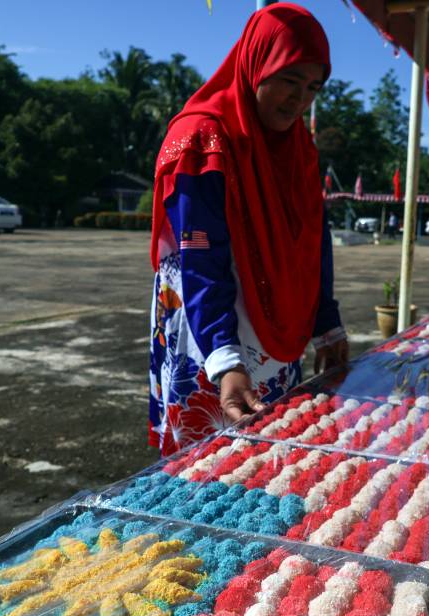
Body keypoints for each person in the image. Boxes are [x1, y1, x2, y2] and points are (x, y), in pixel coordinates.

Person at [147, 4, 347, 456]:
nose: (299, 100)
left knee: (272, 465)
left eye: (312, 88)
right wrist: (224, 359)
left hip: (276, 332)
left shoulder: (299, 147)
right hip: (210, 334)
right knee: (208, 471)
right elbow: (199, 254)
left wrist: (326, 324)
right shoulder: (202, 138)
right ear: (257, 63)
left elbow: (313, 237)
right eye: (289, 80)